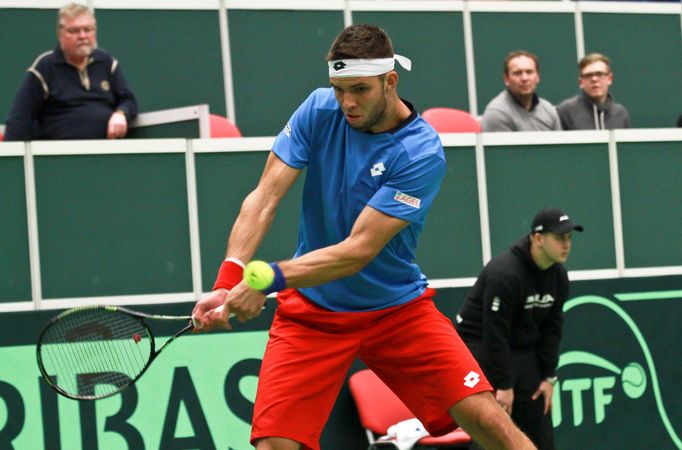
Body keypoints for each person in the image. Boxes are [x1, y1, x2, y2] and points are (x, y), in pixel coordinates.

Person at [192, 24, 536, 450]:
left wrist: (266, 279)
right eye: (338, 88)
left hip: (396, 310)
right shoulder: (319, 111)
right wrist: (228, 280)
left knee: (487, 417)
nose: (347, 102)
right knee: (274, 445)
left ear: (390, 81)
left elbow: (357, 251)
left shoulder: (420, 151)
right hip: (313, 314)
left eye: (359, 89)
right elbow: (263, 198)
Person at [455, 208, 584, 450]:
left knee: (539, 422)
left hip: (521, 348)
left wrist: (548, 377)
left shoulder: (559, 277)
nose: (566, 245)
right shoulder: (505, 274)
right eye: (559, 238)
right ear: (538, 239)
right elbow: (494, 333)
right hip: (479, 346)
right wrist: (503, 385)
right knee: (492, 427)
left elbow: (552, 329)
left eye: (569, 238)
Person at [3, 3, 138, 141]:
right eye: (74, 31)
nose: (83, 36)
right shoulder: (45, 67)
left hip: (107, 153)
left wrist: (121, 114)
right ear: (60, 35)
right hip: (60, 157)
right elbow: (19, 118)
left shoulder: (107, 62)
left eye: (88, 29)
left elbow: (129, 101)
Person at [481, 50, 561, 132]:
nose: (524, 78)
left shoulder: (549, 110)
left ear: (537, 77)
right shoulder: (497, 113)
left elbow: (559, 143)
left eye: (529, 72)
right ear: (506, 79)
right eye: (517, 73)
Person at [557, 53, 631, 130]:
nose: (594, 79)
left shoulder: (620, 113)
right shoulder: (566, 111)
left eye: (599, 74)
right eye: (588, 75)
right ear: (581, 82)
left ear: (610, 79)